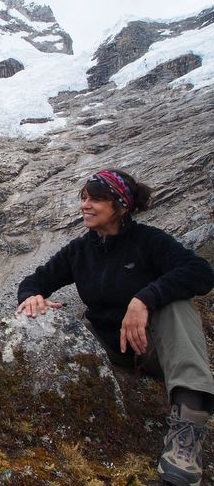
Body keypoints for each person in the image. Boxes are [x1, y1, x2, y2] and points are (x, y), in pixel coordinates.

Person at [16, 169, 214, 486]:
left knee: (178, 308)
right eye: (83, 198)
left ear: (120, 206)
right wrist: (32, 297)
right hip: (106, 345)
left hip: (151, 348)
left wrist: (144, 299)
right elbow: (36, 279)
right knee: (53, 322)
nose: (85, 205)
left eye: (96, 199)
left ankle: (186, 442)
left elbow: (200, 272)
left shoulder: (149, 241)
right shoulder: (80, 250)